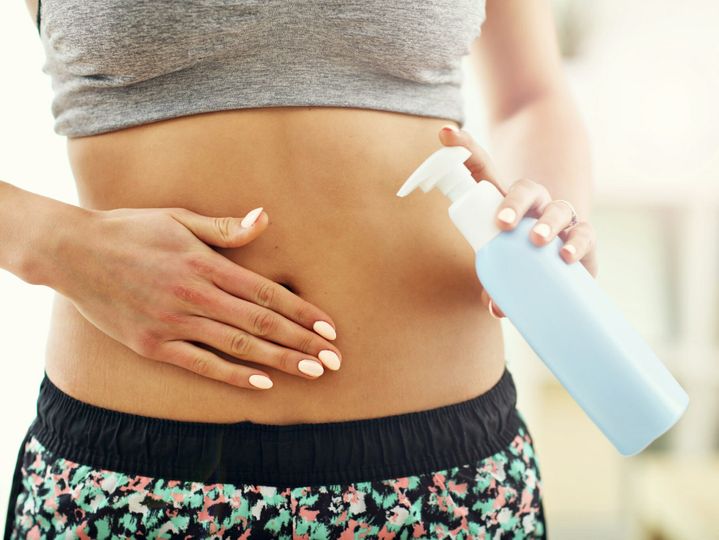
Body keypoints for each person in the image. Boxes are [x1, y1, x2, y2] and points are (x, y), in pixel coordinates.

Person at [3, 0, 597, 537]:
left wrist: (549, 214)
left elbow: (531, 97)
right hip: (128, 483)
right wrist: (52, 241)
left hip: (445, 479)